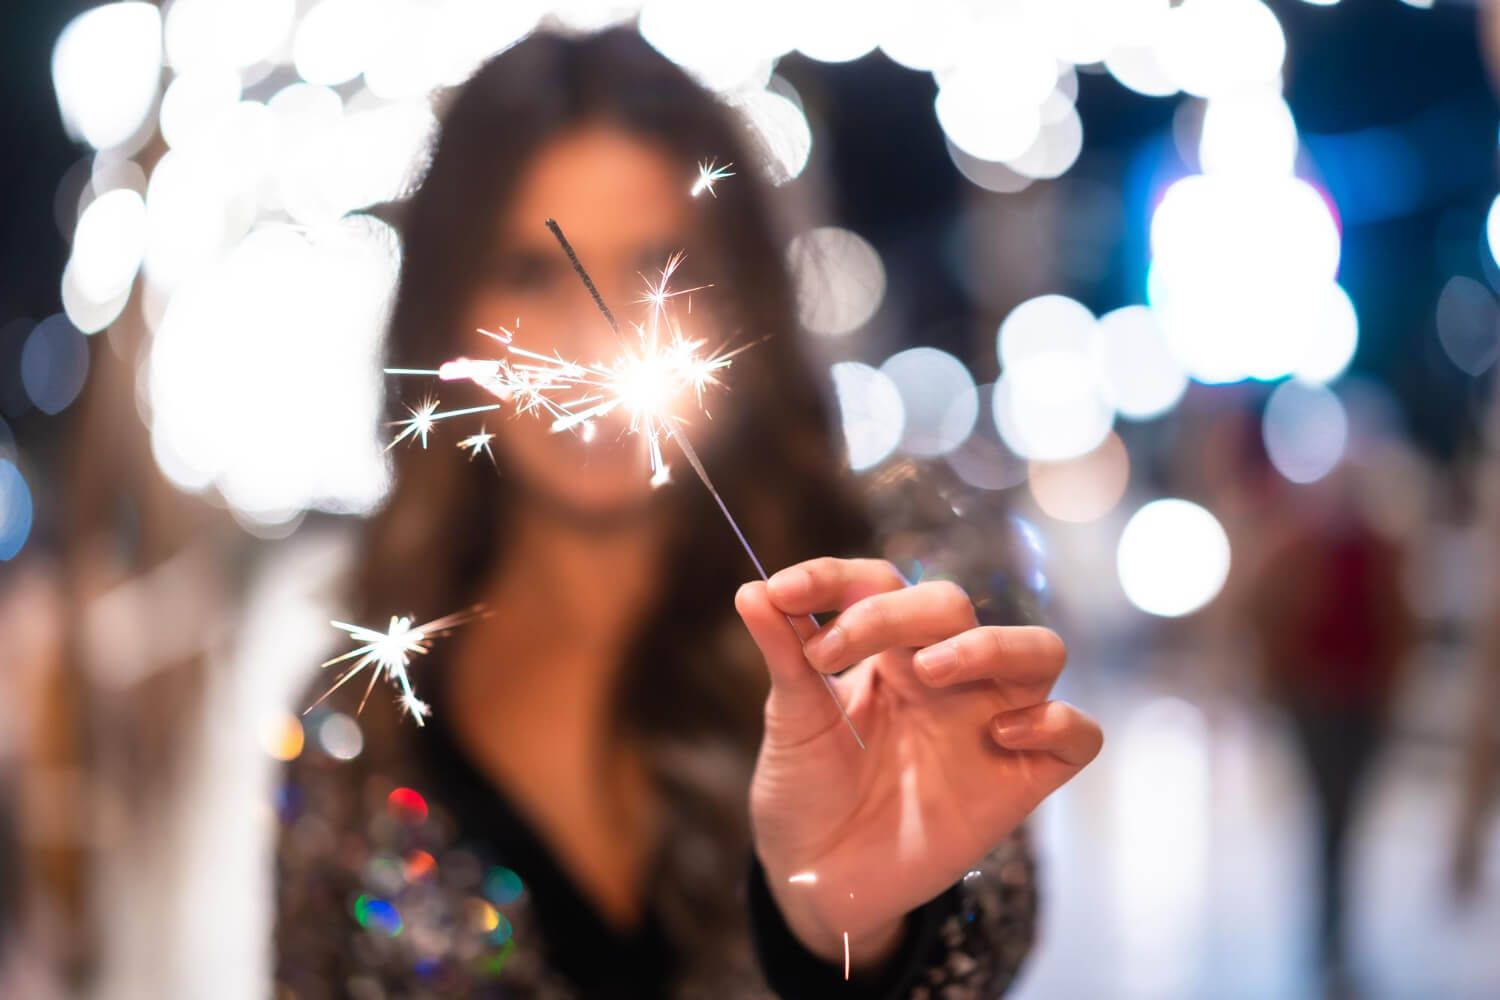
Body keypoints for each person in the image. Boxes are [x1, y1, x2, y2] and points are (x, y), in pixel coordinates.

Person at [275, 28, 1101, 998]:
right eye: (532, 273)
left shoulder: (898, 591)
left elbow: (983, 933)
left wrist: (865, 926)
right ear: (445, 313)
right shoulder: (361, 726)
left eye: (660, 265)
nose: (599, 338)